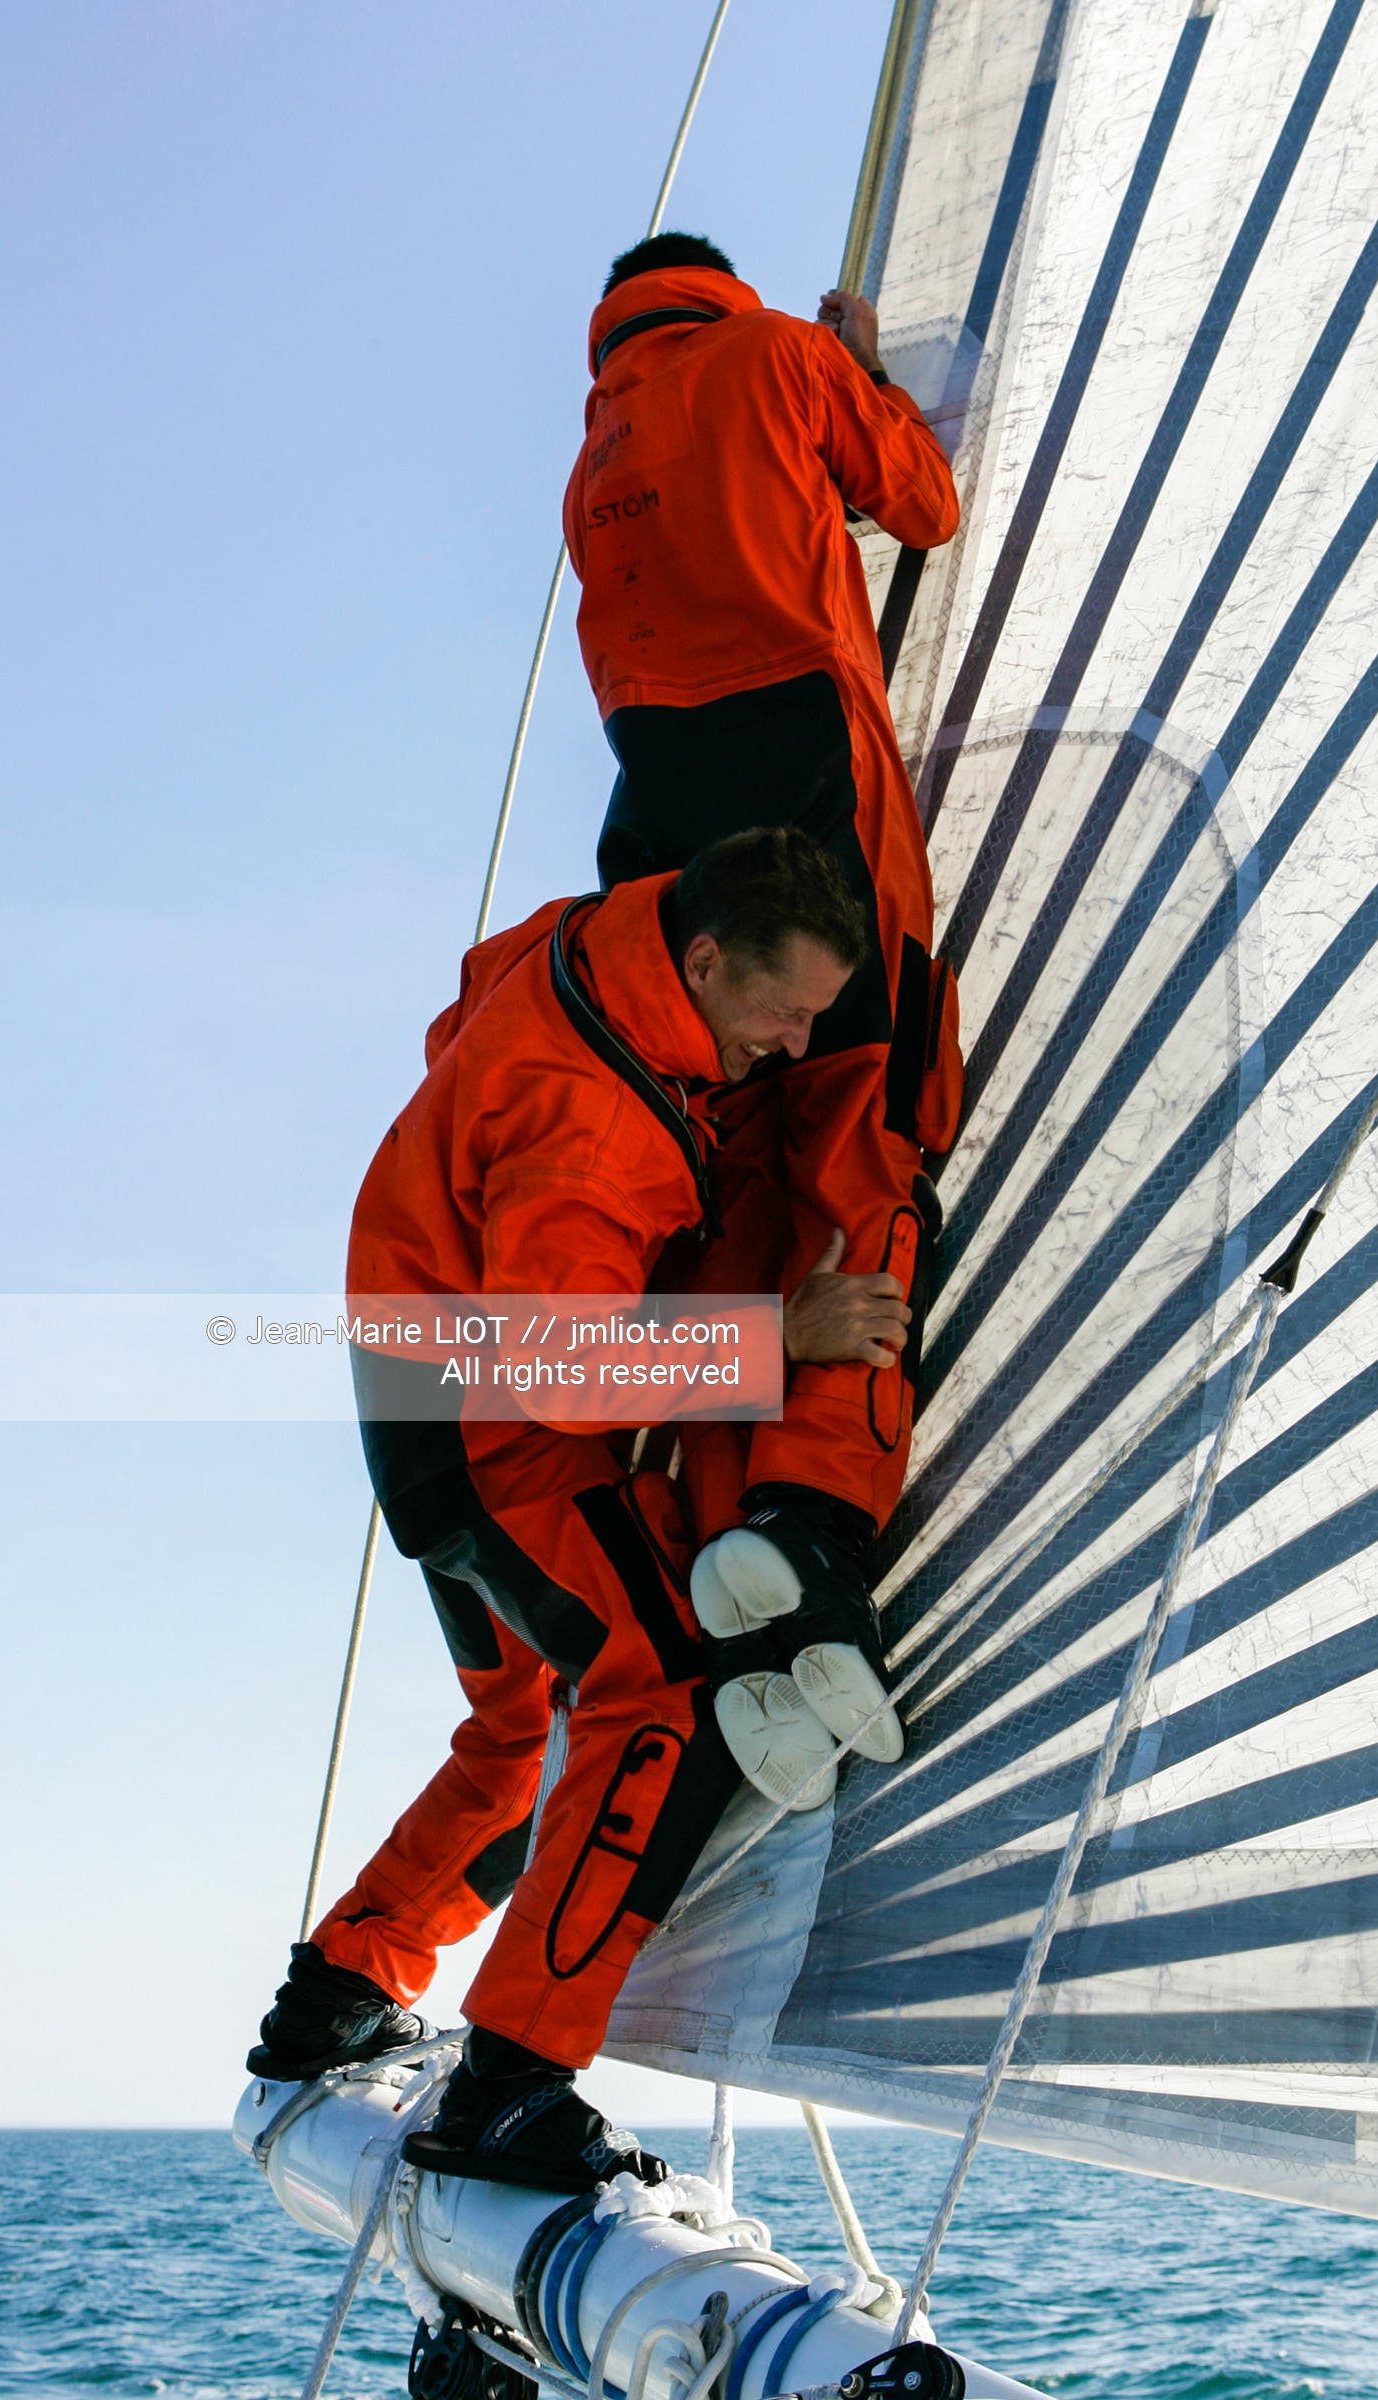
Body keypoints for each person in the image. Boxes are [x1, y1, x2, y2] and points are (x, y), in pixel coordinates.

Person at [247, 828, 894, 2191]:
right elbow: (557, 1373)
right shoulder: (593, 1134)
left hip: (413, 1392)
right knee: (657, 1698)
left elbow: (458, 1014)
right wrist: (782, 1335)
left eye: (817, 1021)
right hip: (498, 1435)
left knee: (516, 1726)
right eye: (782, 1015)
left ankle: (336, 1996)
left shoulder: (587, 935)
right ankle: (511, 2086)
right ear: (706, 963)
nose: (791, 1046)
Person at [562, 231, 964, 1799]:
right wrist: (859, 373)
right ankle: (810, 1527)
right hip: (809, 764)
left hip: (652, 830)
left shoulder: (595, 450)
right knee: (872, 1115)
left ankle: (722, 1547)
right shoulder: (778, 358)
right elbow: (920, 503)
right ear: (721, 285)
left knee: (722, 1172)